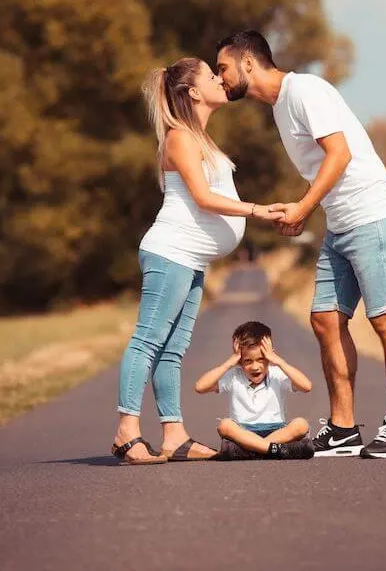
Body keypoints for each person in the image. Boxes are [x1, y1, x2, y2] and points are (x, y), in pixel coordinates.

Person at [216, 31, 386, 459]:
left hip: (374, 216)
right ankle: (344, 427)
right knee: (325, 319)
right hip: (341, 223)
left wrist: (304, 208)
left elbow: (339, 154)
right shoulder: (280, 109)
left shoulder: (304, 89)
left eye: (222, 68)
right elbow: (322, 169)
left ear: (247, 62)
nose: (220, 78)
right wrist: (304, 206)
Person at [112, 57, 284, 465]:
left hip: (191, 258)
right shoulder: (180, 138)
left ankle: (174, 435)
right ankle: (126, 431)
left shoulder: (199, 138)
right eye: (211, 75)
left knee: (172, 351)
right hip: (171, 251)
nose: (220, 80)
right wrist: (258, 210)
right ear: (192, 92)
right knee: (148, 341)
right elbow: (205, 200)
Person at [195, 321, 314, 460]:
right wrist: (229, 363)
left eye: (261, 359)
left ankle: (254, 450)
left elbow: (306, 386)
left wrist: (279, 361)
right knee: (225, 425)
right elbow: (200, 387)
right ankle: (275, 450)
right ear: (239, 361)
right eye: (248, 361)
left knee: (301, 424)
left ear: (270, 357)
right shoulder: (234, 376)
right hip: (244, 432)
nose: (255, 366)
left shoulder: (276, 373)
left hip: (276, 430)